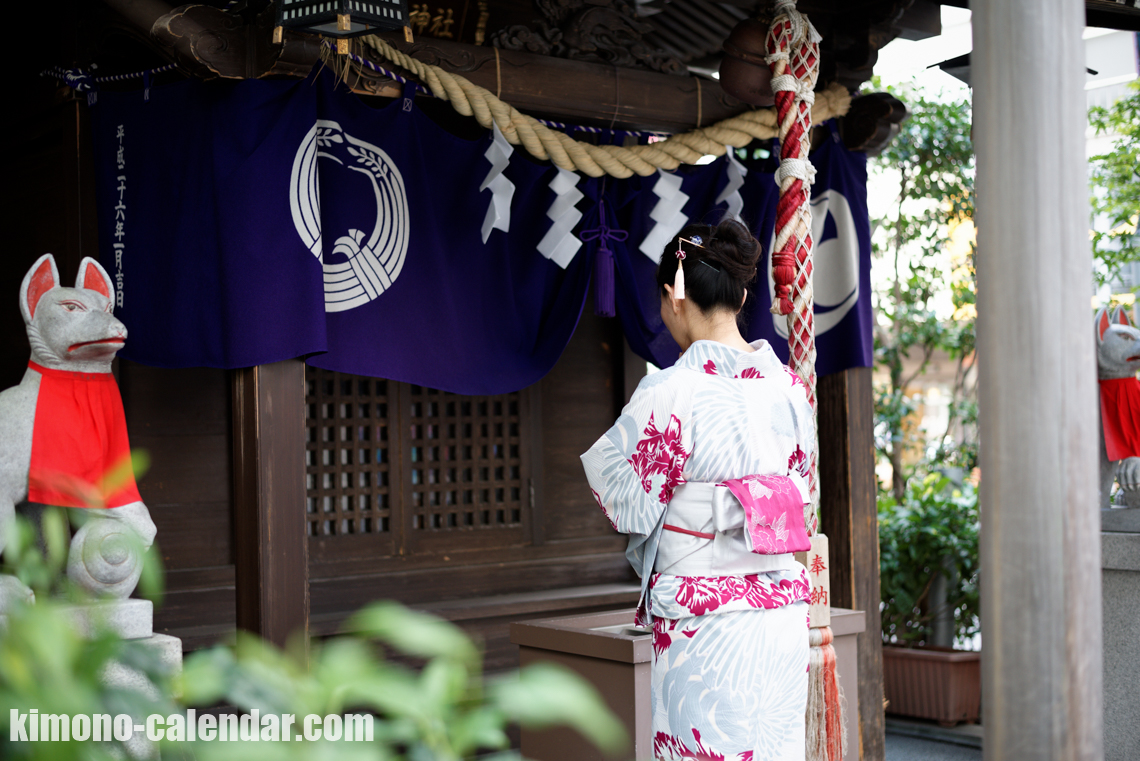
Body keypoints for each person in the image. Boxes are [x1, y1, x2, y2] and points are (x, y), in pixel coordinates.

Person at [581, 217, 815, 761]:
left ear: (674, 296)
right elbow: (800, 484)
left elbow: (622, 501)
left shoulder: (669, 390)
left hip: (703, 620)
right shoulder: (789, 389)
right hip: (780, 612)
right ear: (740, 297)